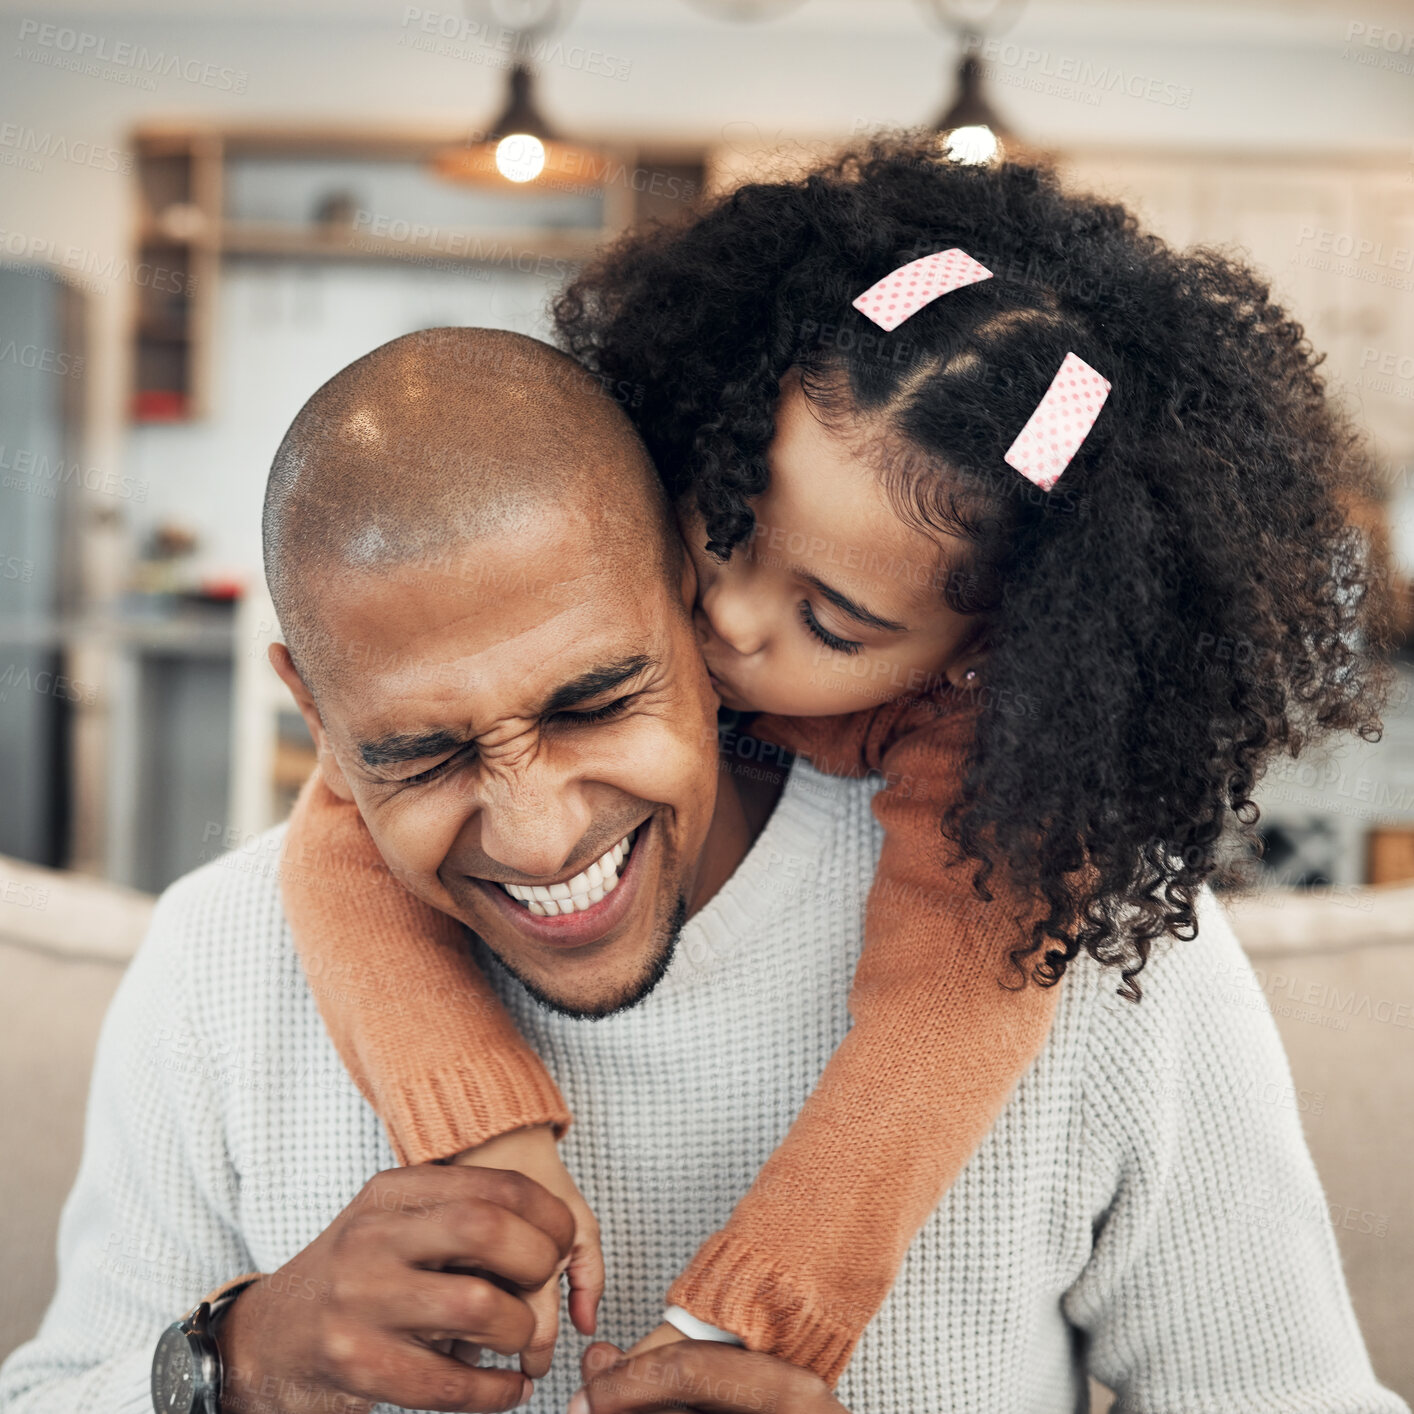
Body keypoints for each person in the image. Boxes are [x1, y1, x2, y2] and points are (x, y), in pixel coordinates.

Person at [1, 324, 1403, 1414]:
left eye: (594, 700)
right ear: (311, 708)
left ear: (693, 584)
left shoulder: (1090, 936)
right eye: (419, 755)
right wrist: (232, 1359)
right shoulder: (217, 957)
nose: (540, 834)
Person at [271, 138, 1401, 1381]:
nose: (726, 618)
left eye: (831, 623)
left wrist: (754, 1318)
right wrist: (479, 1123)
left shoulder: (999, 796)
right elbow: (340, 822)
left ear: (987, 653)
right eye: (726, 521)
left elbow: (939, 1026)